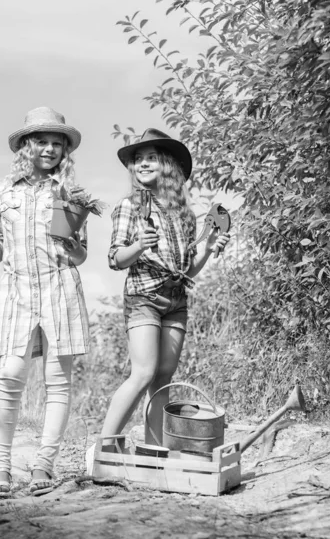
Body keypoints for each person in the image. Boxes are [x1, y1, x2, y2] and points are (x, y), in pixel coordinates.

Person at [0, 106, 91, 498]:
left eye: (57, 143)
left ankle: (44, 464)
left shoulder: (71, 193)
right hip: (18, 289)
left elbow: (80, 256)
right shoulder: (2, 190)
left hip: (60, 286)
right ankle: (0, 467)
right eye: (42, 141)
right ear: (26, 145)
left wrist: (71, 239)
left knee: (57, 382)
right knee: (10, 376)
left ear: (65, 150)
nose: (49, 149)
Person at [99, 128, 230, 447]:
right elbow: (115, 259)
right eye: (138, 159)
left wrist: (210, 247)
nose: (142, 164)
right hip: (143, 298)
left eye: (151, 158)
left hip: (176, 300)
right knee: (143, 372)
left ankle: (153, 449)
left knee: (162, 378)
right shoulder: (129, 206)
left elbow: (188, 269)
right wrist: (139, 246)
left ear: (169, 165)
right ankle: (105, 445)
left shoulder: (183, 215)